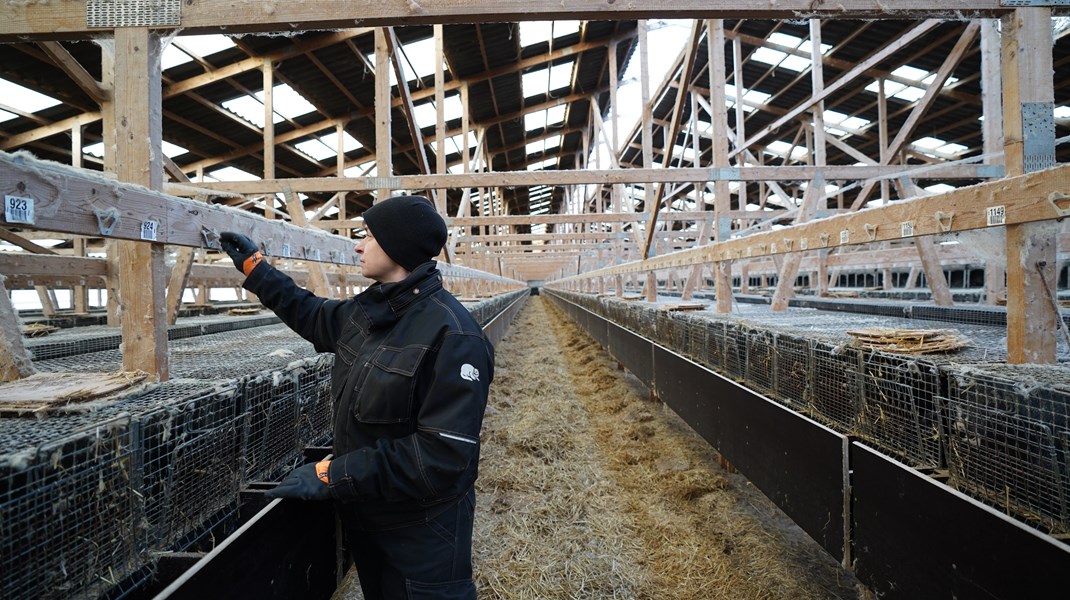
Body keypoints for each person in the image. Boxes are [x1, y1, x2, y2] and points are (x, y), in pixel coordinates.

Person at [219, 195, 493, 600]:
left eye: (368, 235)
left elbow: (441, 457)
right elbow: (310, 312)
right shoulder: (371, 314)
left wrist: (333, 474)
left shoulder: (455, 336)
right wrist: (256, 269)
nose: (359, 245)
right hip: (370, 520)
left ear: (397, 247)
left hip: (423, 534)